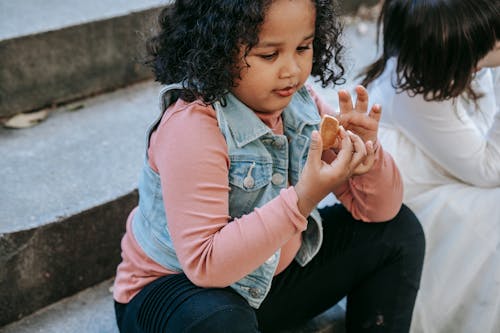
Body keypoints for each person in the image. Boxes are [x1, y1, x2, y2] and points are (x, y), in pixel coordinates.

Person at [112, 0, 425, 332]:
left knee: (398, 232)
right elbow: (206, 265)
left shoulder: (300, 103)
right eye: (269, 55)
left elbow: (380, 212)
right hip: (177, 298)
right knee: (220, 321)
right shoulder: (192, 127)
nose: (291, 69)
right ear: (218, 49)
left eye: (303, 47)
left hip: (266, 281)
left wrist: (366, 157)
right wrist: (303, 199)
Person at [361, 0, 500, 332]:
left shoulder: (439, 67)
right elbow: (489, 169)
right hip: (414, 204)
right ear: (461, 55)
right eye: (493, 37)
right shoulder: (417, 96)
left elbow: (479, 129)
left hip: (444, 173)